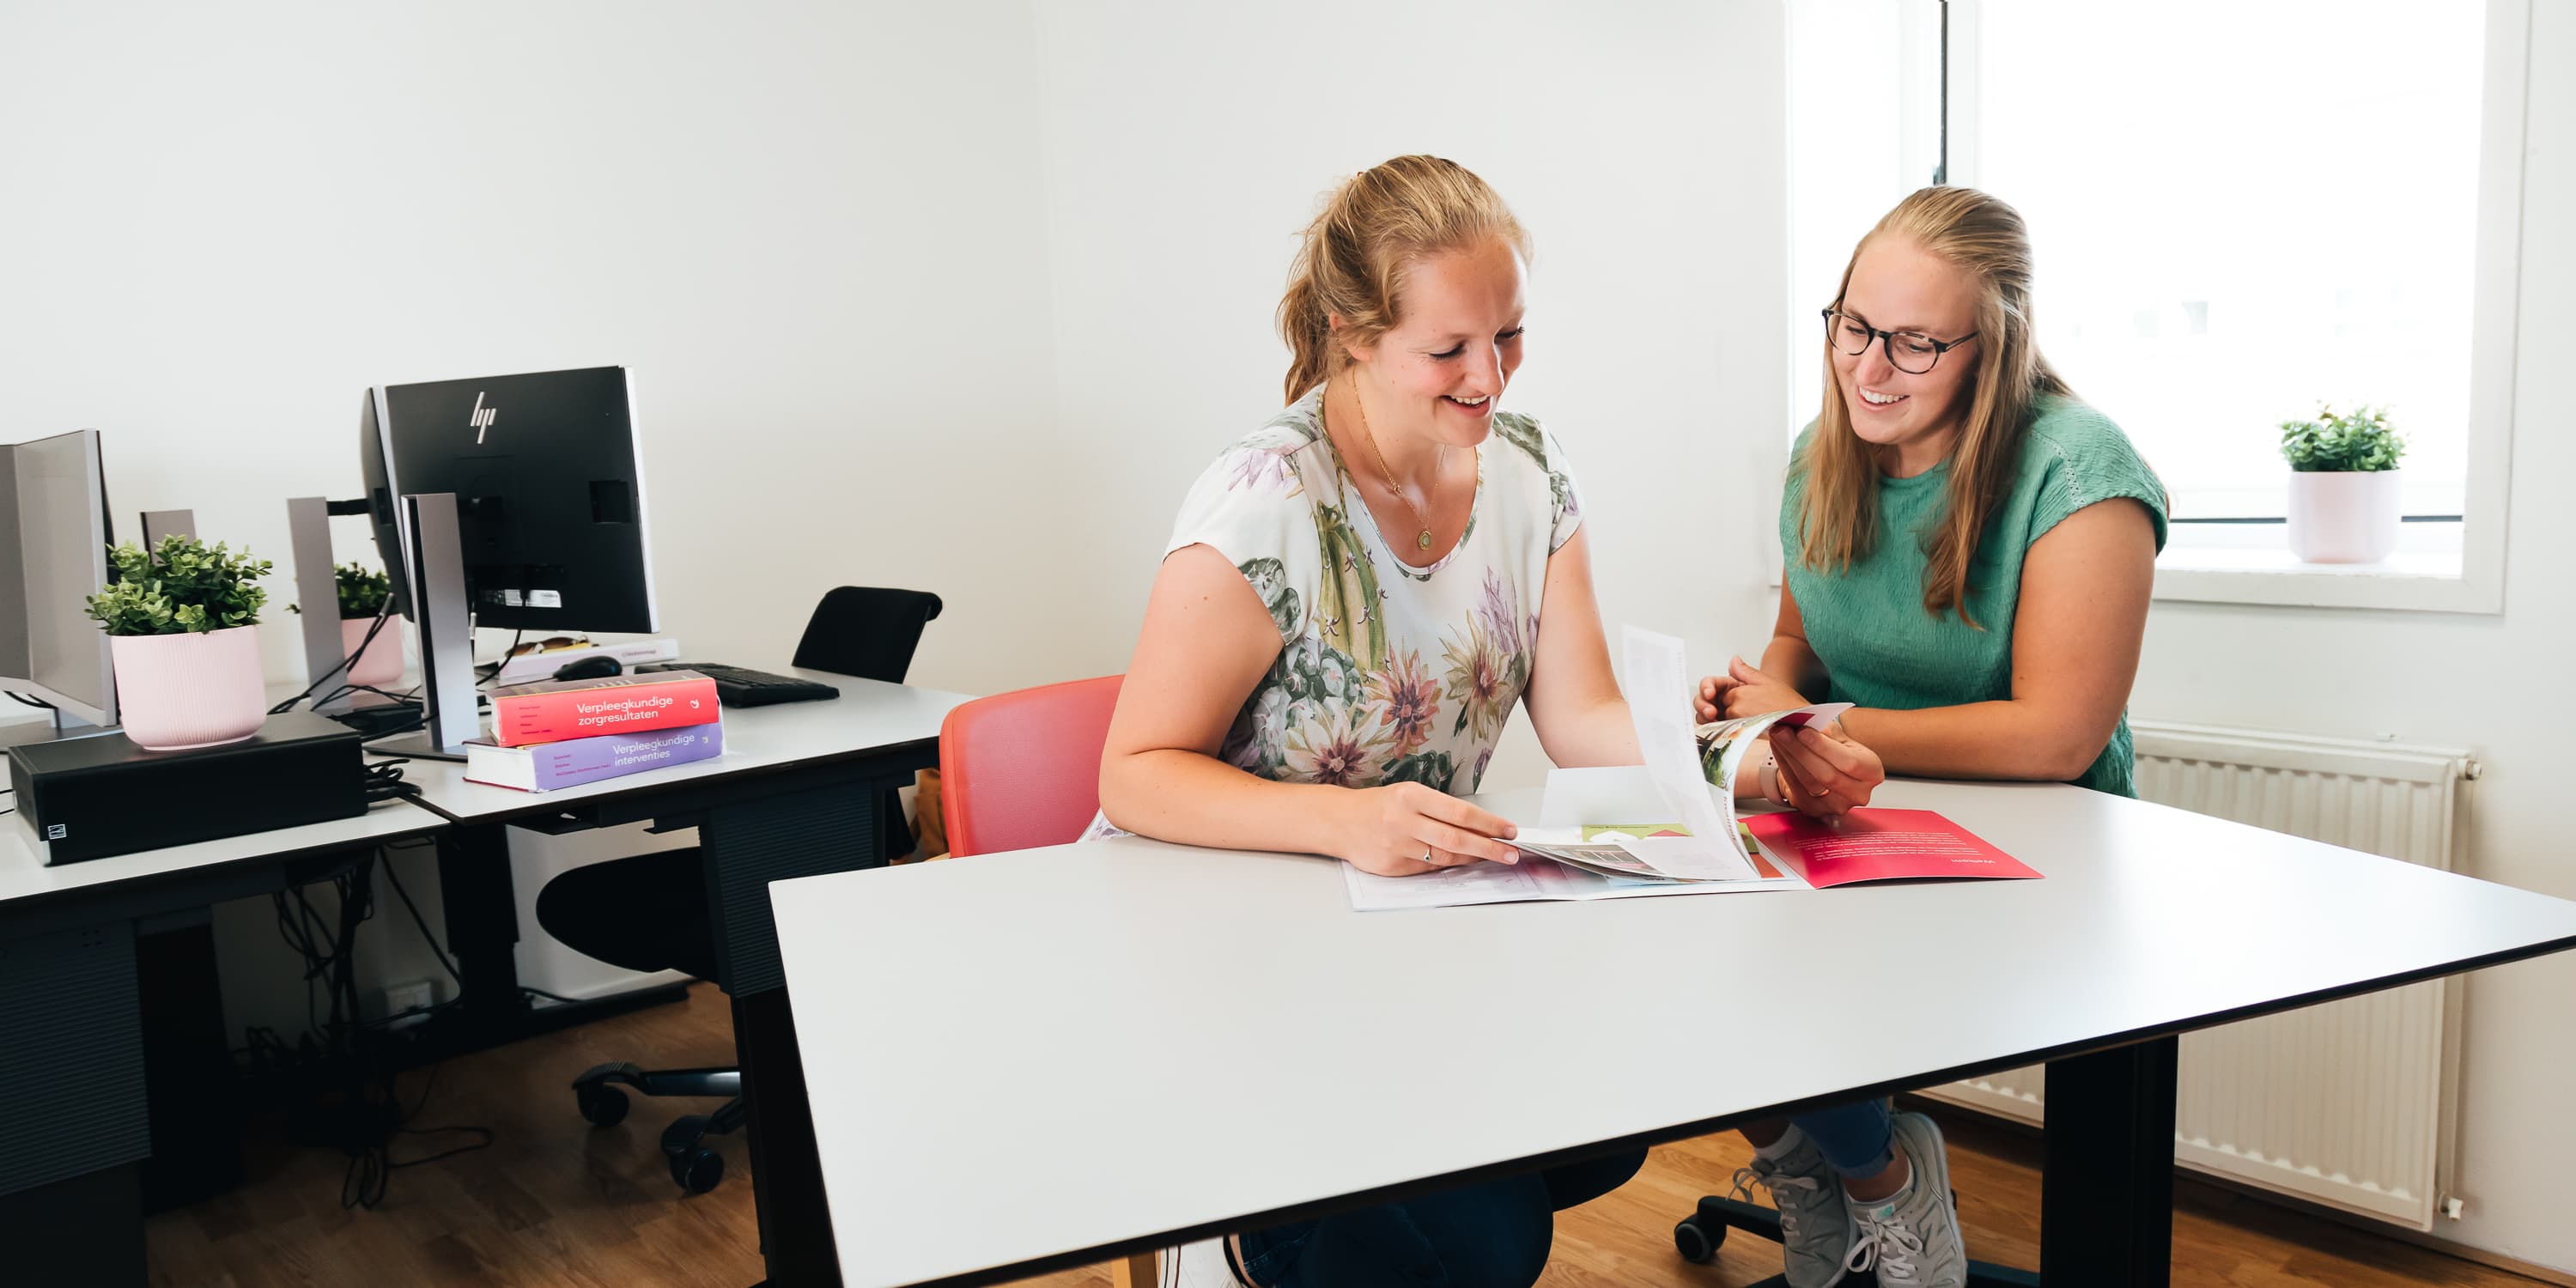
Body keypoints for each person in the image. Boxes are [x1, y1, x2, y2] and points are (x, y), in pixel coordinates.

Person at [1093, 155, 1885, 1288]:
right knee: (1477, 1242)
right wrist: (1345, 823)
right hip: (1239, 929)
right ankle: (1238, 1235)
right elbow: (1134, 773)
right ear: (1352, 333)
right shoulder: (1267, 500)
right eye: (1449, 349)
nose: (1489, 378)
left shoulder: (1527, 470)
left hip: (1411, 920)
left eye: (1508, 336)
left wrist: (1753, 764)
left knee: (1604, 1121)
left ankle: (1305, 1219)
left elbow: (1586, 715)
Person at [1698, 185, 2168, 1288]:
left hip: (2051, 858)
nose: (1869, 369)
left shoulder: (2078, 469)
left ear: (1991, 345)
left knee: (1789, 968)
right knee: (1685, 934)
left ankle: (1882, 1188)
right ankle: (1814, 1172)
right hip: (1861, 816)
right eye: (1854, 328)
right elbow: (1792, 645)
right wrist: (1759, 702)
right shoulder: (1827, 448)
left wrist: (1835, 730)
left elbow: (2058, 736)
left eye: (1915, 344)